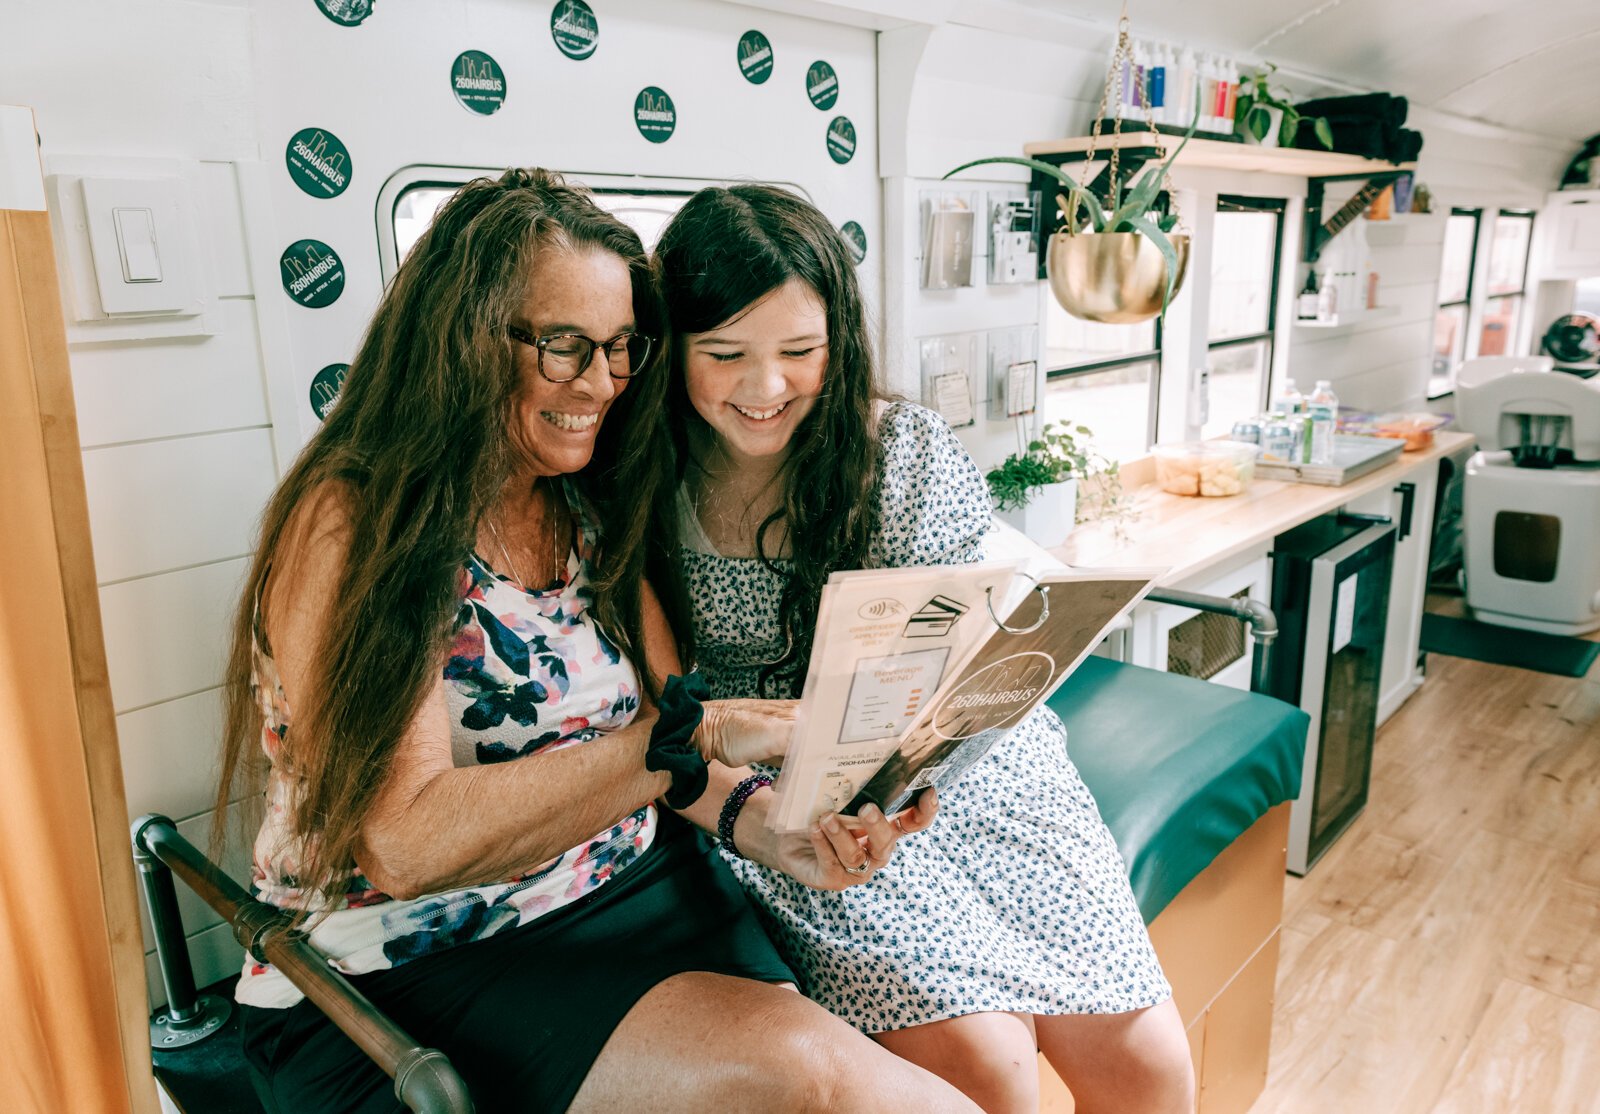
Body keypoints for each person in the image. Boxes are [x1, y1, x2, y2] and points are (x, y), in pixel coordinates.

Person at [212, 168, 975, 1114]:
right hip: (417, 966)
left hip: (634, 891)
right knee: (831, 1084)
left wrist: (787, 838)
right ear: (461, 336)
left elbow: (675, 761)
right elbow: (402, 845)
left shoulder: (586, 509)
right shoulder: (360, 519)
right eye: (566, 345)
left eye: (620, 349)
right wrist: (685, 742)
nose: (604, 384)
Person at [643, 183, 1196, 1114]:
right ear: (675, 350)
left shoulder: (898, 451)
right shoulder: (646, 482)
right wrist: (804, 796)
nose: (765, 387)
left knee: (1151, 1070)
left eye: (799, 352)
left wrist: (932, 748)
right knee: (993, 1071)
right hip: (791, 802)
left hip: (965, 773)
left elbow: (963, 650)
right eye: (725, 353)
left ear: (840, 344)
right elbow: (668, 710)